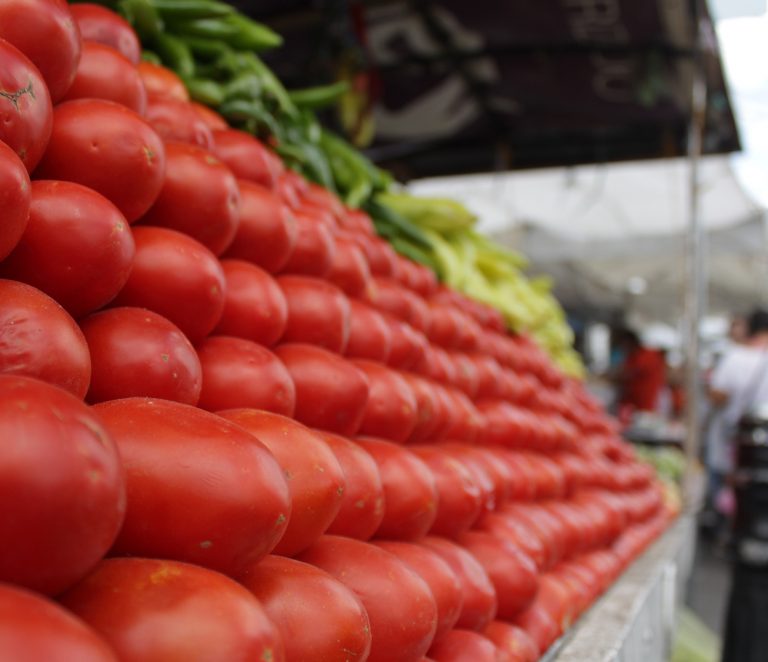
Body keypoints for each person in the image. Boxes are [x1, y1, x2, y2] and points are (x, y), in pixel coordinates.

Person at [613, 329, 667, 416]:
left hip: (646, 404)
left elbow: (627, 374)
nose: (623, 348)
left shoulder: (647, 355)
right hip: (634, 405)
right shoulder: (632, 356)